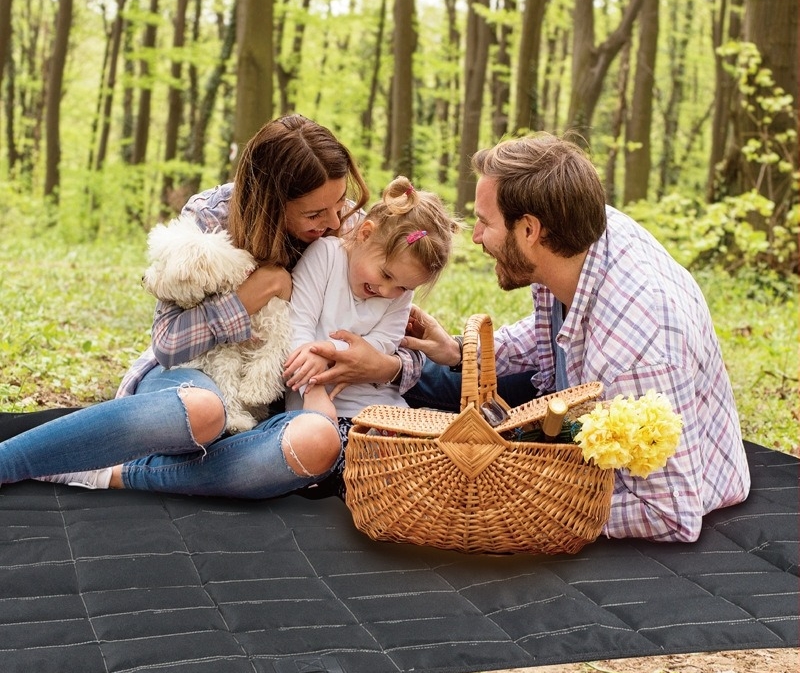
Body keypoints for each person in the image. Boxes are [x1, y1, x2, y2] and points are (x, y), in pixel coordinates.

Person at [310, 133, 751, 543]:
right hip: (566, 394)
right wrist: (459, 351)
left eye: (484, 223)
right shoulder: (578, 238)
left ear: (529, 230)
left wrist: (517, 509)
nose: (477, 237)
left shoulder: (638, 341)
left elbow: (671, 511)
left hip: (642, 474)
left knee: (451, 417)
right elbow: (552, 335)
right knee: (442, 377)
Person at [0, 114, 419, 499]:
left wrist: (385, 366)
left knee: (318, 442)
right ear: (271, 200)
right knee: (205, 411)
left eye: (339, 202)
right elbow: (167, 343)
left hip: (271, 411)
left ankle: (117, 473)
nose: (333, 220)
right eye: (314, 212)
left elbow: (405, 331)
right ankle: (8, 463)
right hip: (194, 380)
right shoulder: (212, 216)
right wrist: (256, 292)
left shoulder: (355, 231)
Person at [283, 176, 458, 478]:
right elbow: (296, 326)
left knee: (438, 455)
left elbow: (384, 344)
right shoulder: (326, 257)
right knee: (360, 466)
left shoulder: (398, 293)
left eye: (403, 287)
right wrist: (313, 389)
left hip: (382, 407)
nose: (389, 292)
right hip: (322, 406)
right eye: (386, 275)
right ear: (365, 234)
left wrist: (328, 351)